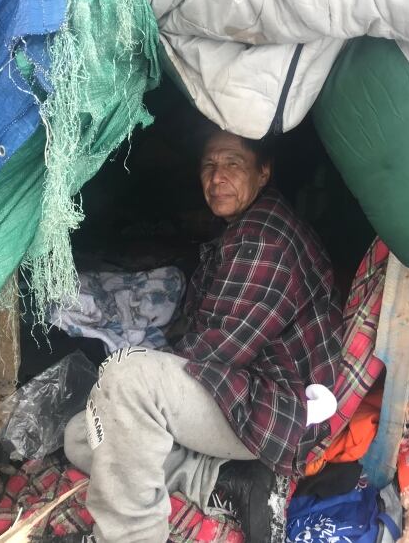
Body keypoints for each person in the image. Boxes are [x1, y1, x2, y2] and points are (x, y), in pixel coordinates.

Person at [64, 128, 343, 542]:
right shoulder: (245, 225)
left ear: (263, 172)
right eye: (209, 165)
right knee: (82, 434)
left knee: (125, 379)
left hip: (271, 409)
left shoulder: (265, 238)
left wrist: (146, 364)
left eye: (233, 164)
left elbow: (216, 349)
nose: (217, 177)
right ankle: (219, 480)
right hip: (239, 392)